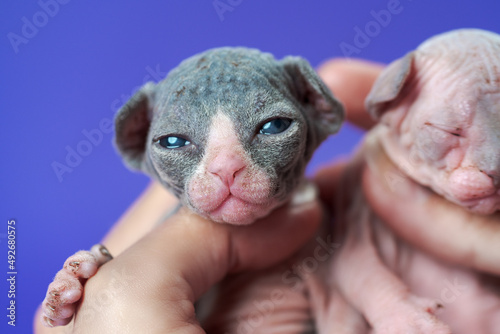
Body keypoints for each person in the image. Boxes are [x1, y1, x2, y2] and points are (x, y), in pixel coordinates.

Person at [34, 58, 500, 333]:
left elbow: (356, 269)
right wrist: (101, 273)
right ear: (139, 142)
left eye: (273, 126)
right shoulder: (169, 244)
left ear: (318, 110)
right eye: (175, 142)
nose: (224, 168)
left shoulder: (328, 210)